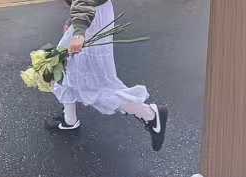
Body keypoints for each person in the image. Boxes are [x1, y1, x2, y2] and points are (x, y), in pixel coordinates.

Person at [48, 0, 167, 149]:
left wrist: (79, 30)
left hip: (90, 18)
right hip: (90, 14)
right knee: (65, 68)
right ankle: (69, 119)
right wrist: (75, 20)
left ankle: (150, 114)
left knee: (92, 85)